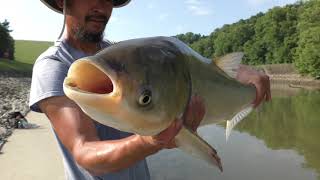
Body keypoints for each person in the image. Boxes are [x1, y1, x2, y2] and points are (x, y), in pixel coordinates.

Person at [29, 0, 271, 179]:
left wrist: (249, 74)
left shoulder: (130, 56)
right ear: (62, 1)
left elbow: (205, 67)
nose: (101, 7)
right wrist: (153, 140)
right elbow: (84, 153)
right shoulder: (54, 64)